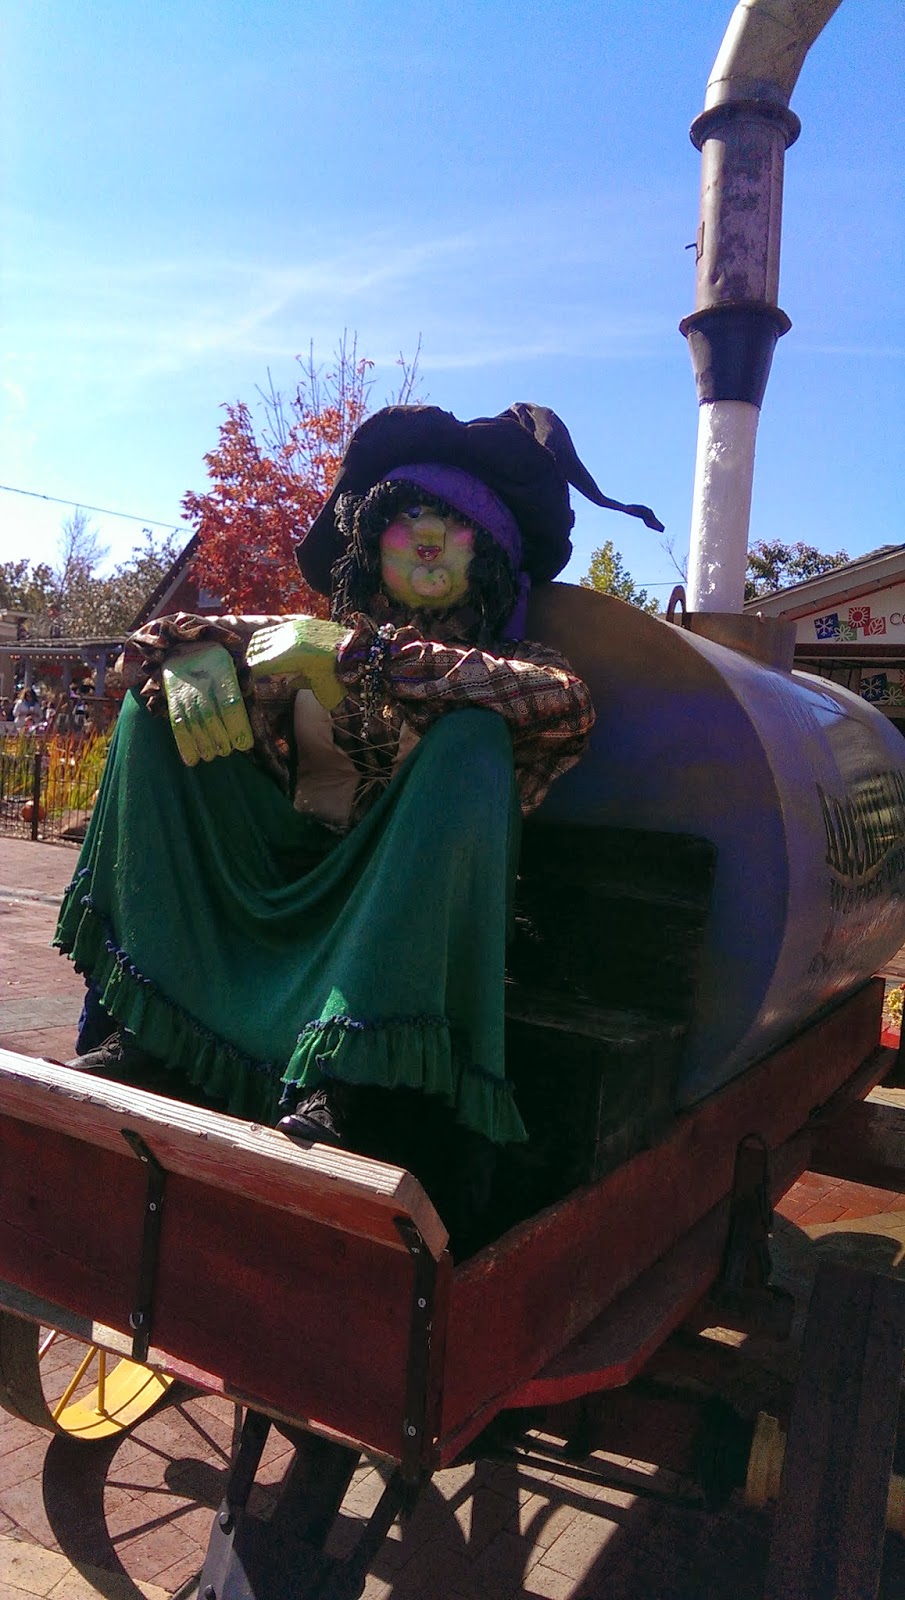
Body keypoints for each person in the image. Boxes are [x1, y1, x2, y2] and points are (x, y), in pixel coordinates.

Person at [56, 403, 661, 1245]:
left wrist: (361, 660)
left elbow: (562, 704)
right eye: (407, 518)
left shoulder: (518, 669)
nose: (427, 537)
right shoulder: (302, 637)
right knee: (151, 718)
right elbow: (147, 647)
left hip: (391, 912)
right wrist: (183, 657)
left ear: (489, 554)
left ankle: (347, 1074)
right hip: (274, 877)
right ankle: (156, 1026)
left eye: (453, 523)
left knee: (472, 742)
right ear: (371, 543)